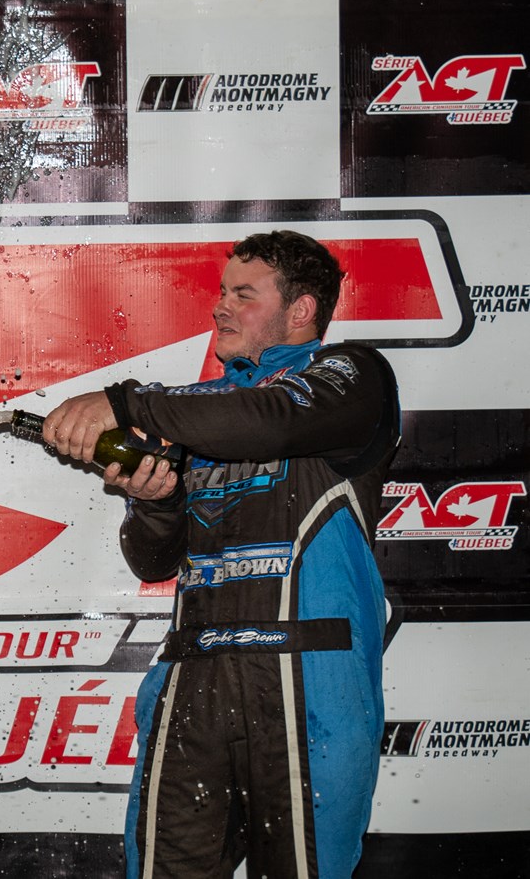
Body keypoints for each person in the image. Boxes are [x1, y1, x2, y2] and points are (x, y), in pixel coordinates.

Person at [42, 231, 400, 879]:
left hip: (306, 684)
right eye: (221, 292)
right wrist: (155, 503)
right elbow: (153, 560)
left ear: (302, 310)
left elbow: (272, 420)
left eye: (243, 294)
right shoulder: (194, 411)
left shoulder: (352, 379)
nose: (220, 308)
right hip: (193, 682)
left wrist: (125, 402)